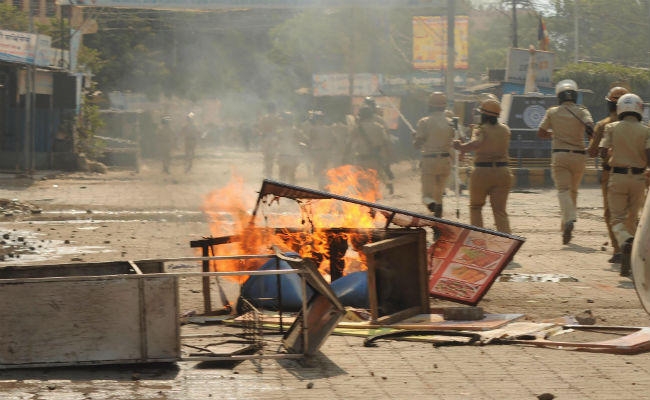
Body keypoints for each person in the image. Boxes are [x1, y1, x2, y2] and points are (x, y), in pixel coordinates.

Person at [598, 93, 650, 277]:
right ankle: (633, 261)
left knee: (617, 220)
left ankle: (626, 241)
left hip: (618, 178)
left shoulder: (611, 127)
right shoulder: (646, 130)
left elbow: (603, 151)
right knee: (632, 219)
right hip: (638, 179)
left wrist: (612, 153)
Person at [537, 79, 594, 244]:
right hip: (579, 156)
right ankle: (566, 228)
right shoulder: (582, 111)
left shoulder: (552, 112)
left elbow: (541, 132)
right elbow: (590, 127)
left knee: (563, 190)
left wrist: (553, 134)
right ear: (575, 96)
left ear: (559, 96)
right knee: (573, 192)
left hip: (560, 156)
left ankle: (569, 219)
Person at [453, 98, 513, 233]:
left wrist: (461, 147)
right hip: (503, 172)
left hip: (482, 172)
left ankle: (478, 240)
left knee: (476, 207)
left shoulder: (481, 129)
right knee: (500, 210)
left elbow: (476, 144)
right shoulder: (505, 129)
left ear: (484, 114)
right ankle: (506, 240)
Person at [587, 86, 630, 264]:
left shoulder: (603, 125)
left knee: (610, 213)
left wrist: (592, 138)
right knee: (631, 213)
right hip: (635, 175)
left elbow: (593, 152)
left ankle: (618, 248)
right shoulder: (642, 127)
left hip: (610, 174)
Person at [413, 91, 455, 217]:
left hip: (429, 161)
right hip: (445, 161)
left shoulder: (424, 122)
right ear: (444, 106)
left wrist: (415, 138)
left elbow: (417, 145)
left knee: (427, 196)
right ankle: (438, 216)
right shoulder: (451, 122)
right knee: (439, 194)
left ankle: (432, 206)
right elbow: (457, 140)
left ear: (430, 105)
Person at [347, 105, 393, 194]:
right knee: (373, 184)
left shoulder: (356, 128)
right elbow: (386, 143)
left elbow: (349, 143)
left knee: (360, 186)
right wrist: (388, 157)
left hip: (360, 160)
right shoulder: (379, 127)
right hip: (374, 160)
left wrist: (345, 157)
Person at [275, 111, 305, 185]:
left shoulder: (280, 132)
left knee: (282, 176)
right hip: (292, 156)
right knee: (291, 176)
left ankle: (282, 190)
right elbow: (302, 140)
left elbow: (276, 143)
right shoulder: (296, 131)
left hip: (283, 155)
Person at [256, 103, 281, 179]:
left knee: (266, 156)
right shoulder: (278, 118)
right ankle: (269, 172)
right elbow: (280, 129)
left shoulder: (264, 118)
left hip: (266, 139)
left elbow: (261, 129)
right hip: (275, 138)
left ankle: (267, 172)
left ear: (268, 110)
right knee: (272, 157)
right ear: (274, 109)